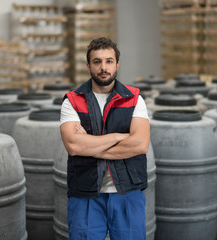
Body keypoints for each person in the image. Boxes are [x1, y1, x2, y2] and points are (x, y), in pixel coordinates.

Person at [60, 37, 150, 240]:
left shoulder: (135, 98)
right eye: (97, 61)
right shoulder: (72, 101)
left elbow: (140, 144)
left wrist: (90, 145)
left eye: (109, 61)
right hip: (85, 194)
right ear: (88, 66)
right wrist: (119, 137)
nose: (103, 67)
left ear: (117, 65)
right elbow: (74, 145)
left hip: (127, 192)